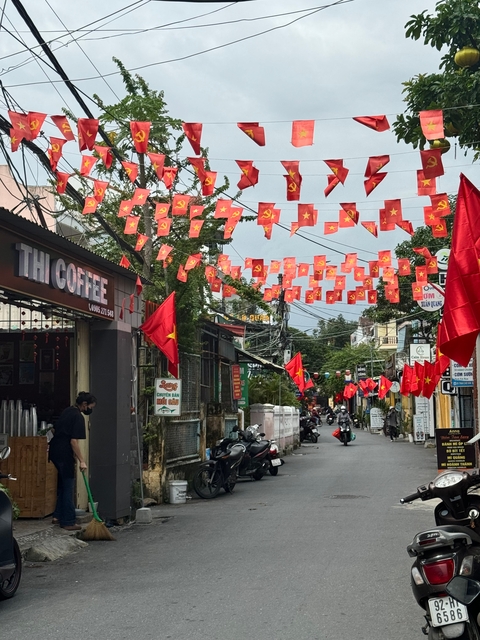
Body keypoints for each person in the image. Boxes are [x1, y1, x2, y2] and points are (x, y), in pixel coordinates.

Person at [48, 392, 96, 531]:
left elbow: (55, 429)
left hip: (55, 450)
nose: (90, 410)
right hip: (64, 454)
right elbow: (73, 441)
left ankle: (57, 516)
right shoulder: (78, 417)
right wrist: (82, 460)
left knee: (63, 485)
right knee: (68, 486)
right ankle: (68, 520)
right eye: (90, 406)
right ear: (84, 405)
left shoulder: (68, 411)